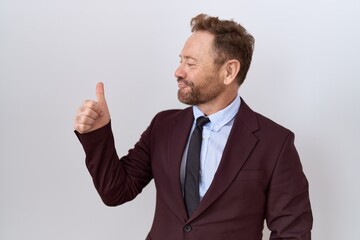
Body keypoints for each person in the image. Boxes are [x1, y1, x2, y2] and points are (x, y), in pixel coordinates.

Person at [74, 13, 313, 240]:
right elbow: (116, 191)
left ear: (229, 71)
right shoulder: (163, 126)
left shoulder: (275, 143)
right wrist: (98, 133)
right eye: (180, 61)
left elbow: (292, 233)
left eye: (191, 63)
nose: (178, 72)